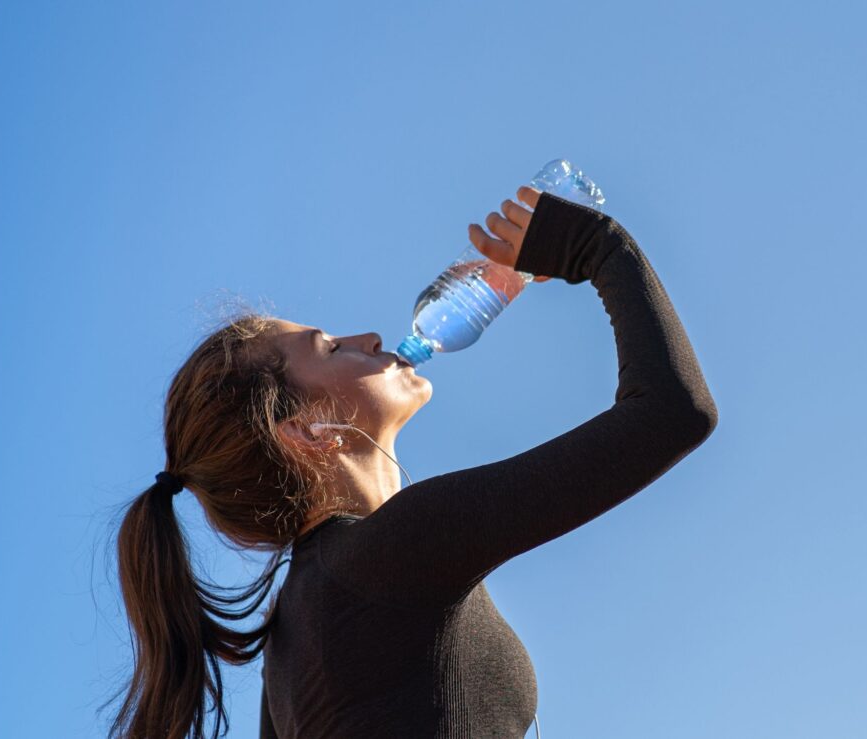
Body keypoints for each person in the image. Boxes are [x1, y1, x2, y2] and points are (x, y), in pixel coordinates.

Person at [103, 183, 718, 739]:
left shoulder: (291, 640)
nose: (367, 337)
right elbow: (673, 413)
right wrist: (599, 245)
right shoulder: (390, 553)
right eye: (330, 347)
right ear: (306, 431)